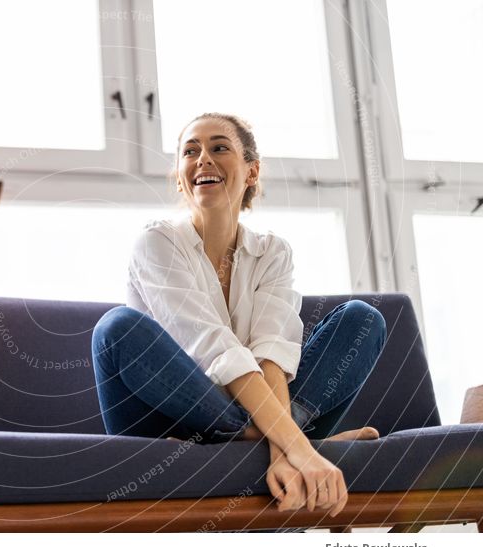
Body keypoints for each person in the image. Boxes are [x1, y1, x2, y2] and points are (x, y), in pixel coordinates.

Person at [91, 112, 387, 518]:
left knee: (362, 319)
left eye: (219, 147)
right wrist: (299, 450)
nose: (203, 159)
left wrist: (286, 450)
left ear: (251, 171)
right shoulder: (156, 242)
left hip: (238, 416)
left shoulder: (272, 252)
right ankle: (299, 441)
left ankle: (261, 442)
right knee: (116, 329)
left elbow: (271, 355)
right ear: (180, 176)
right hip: (164, 423)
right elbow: (215, 351)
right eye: (190, 151)